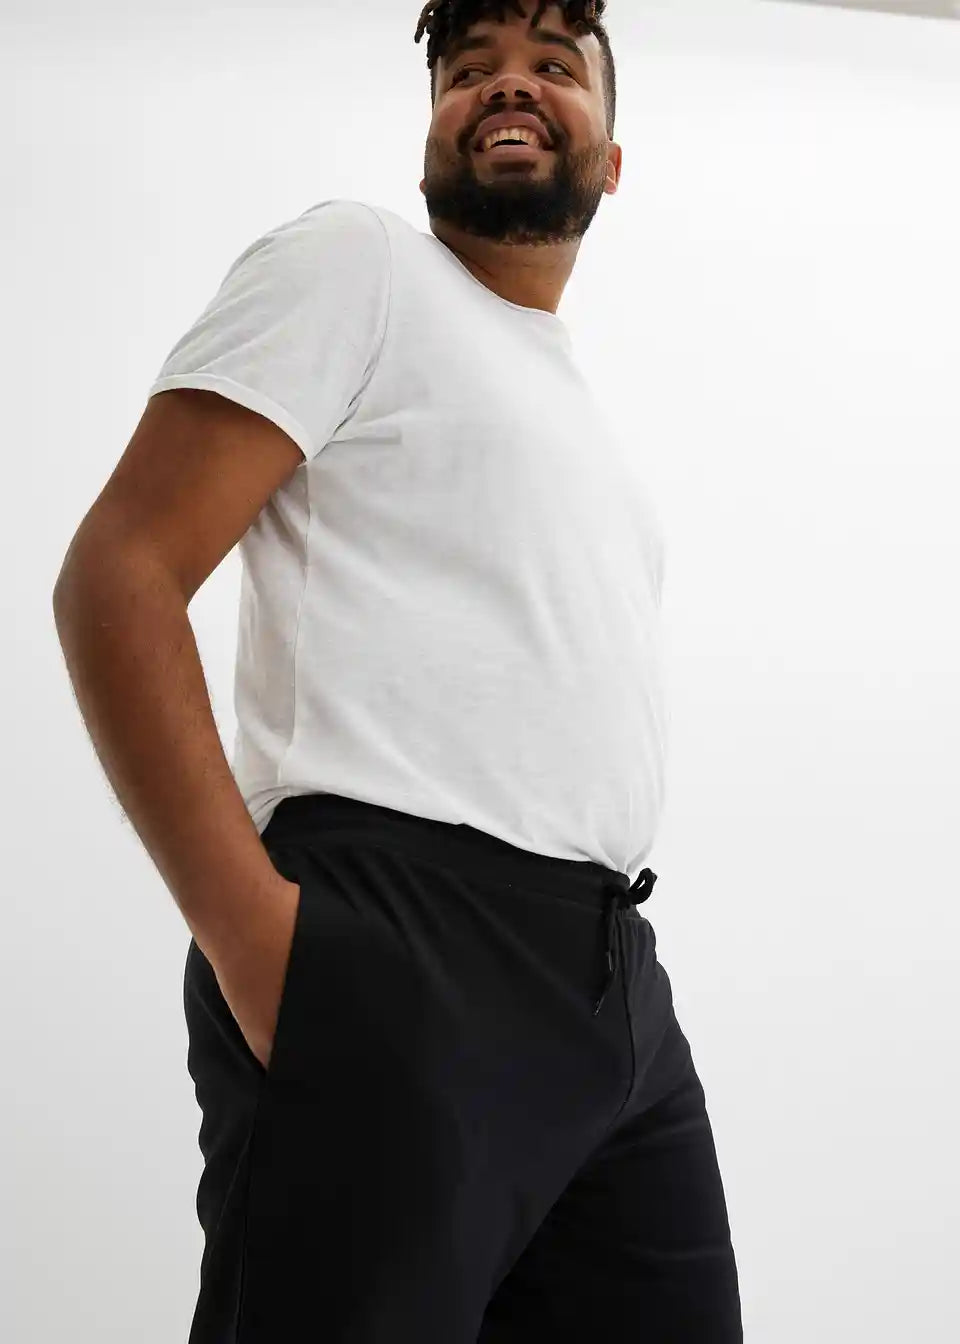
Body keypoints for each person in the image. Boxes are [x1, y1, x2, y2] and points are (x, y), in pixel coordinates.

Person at [53, 1, 743, 1339]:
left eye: (553, 67)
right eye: (468, 69)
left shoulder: (582, 419)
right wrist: (263, 949)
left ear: (612, 160)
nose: (508, 86)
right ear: (432, 130)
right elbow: (120, 574)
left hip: (614, 987)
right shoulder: (357, 265)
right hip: (396, 941)